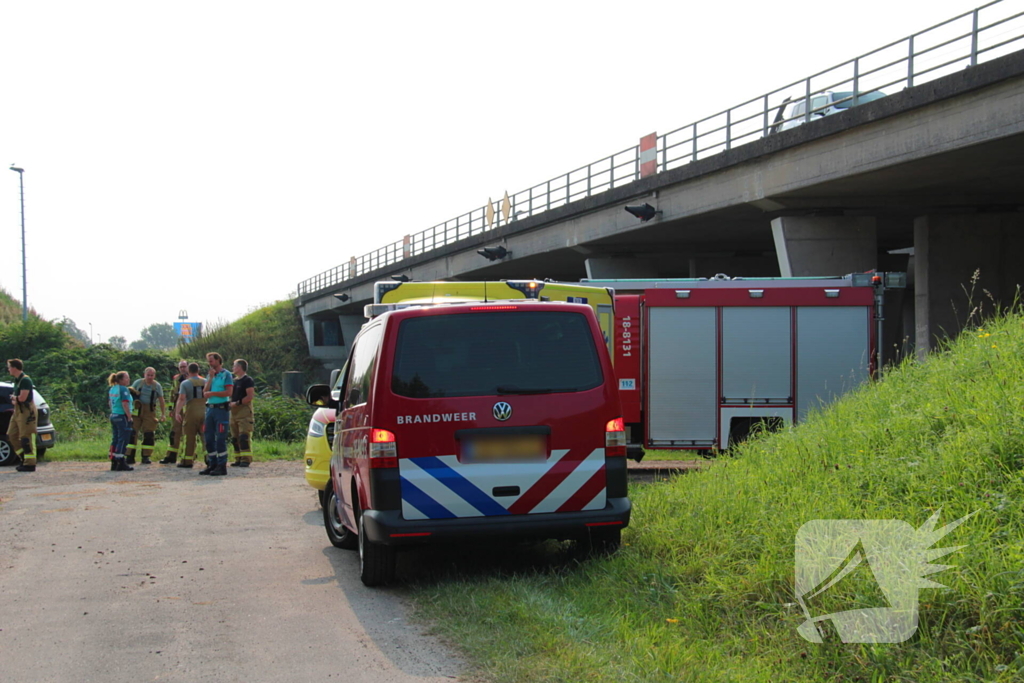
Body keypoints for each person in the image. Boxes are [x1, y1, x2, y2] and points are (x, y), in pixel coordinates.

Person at [200, 352, 233, 476]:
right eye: (209, 361)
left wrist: (213, 394)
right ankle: (212, 464)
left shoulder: (226, 374)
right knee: (208, 438)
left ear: (218, 360)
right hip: (210, 409)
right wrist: (211, 378)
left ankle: (222, 465)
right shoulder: (210, 375)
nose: (210, 364)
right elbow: (205, 391)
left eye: (211, 361)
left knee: (220, 439)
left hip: (221, 410)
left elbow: (228, 392)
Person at [126, 367, 167, 465]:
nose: (149, 377)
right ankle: (129, 456)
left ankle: (146, 456)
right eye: (148, 375)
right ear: (144, 375)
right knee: (132, 433)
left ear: (154, 375)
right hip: (136, 411)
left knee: (149, 434)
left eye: (152, 375)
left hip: (150, 411)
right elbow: (129, 394)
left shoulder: (157, 386)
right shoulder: (138, 383)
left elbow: (161, 400)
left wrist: (163, 414)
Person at [7, 359, 37, 473]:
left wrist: (14, 398)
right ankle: (23, 457)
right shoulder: (16, 380)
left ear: (15, 368)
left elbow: (22, 398)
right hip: (17, 410)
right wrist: (15, 399)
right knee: (11, 435)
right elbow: (17, 399)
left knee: (26, 437)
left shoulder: (25, 380)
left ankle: (30, 464)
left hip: (26, 411)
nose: (8, 369)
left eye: (9, 367)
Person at [173, 362, 206, 468]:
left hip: (191, 412)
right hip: (205, 411)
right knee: (205, 436)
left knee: (189, 436)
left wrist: (177, 412)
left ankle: (187, 461)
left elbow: (181, 399)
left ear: (188, 371)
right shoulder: (206, 381)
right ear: (198, 370)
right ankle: (210, 458)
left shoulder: (185, 383)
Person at [160, 360, 190, 464]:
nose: (183, 369)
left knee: (188, 433)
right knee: (174, 432)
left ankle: (188, 456)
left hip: (189, 408)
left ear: (188, 367)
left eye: (184, 366)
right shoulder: (176, 379)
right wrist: (171, 409)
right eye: (181, 367)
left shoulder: (194, 378)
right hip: (177, 408)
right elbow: (172, 395)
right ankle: (171, 456)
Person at [228, 358, 256, 467]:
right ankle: (238, 458)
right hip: (233, 412)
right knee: (234, 438)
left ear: (240, 367)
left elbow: (250, 396)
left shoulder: (247, 380)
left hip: (244, 411)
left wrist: (238, 402)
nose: (233, 368)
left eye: (234, 366)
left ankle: (246, 459)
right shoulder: (234, 381)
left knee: (243, 436)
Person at [108, 371, 134, 472]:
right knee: (123, 439)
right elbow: (125, 403)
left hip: (114, 415)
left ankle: (114, 461)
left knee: (115, 439)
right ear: (121, 380)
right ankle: (121, 461)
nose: (128, 380)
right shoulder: (123, 389)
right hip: (121, 416)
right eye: (127, 378)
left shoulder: (112, 388)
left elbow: (110, 403)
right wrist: (129, 416)